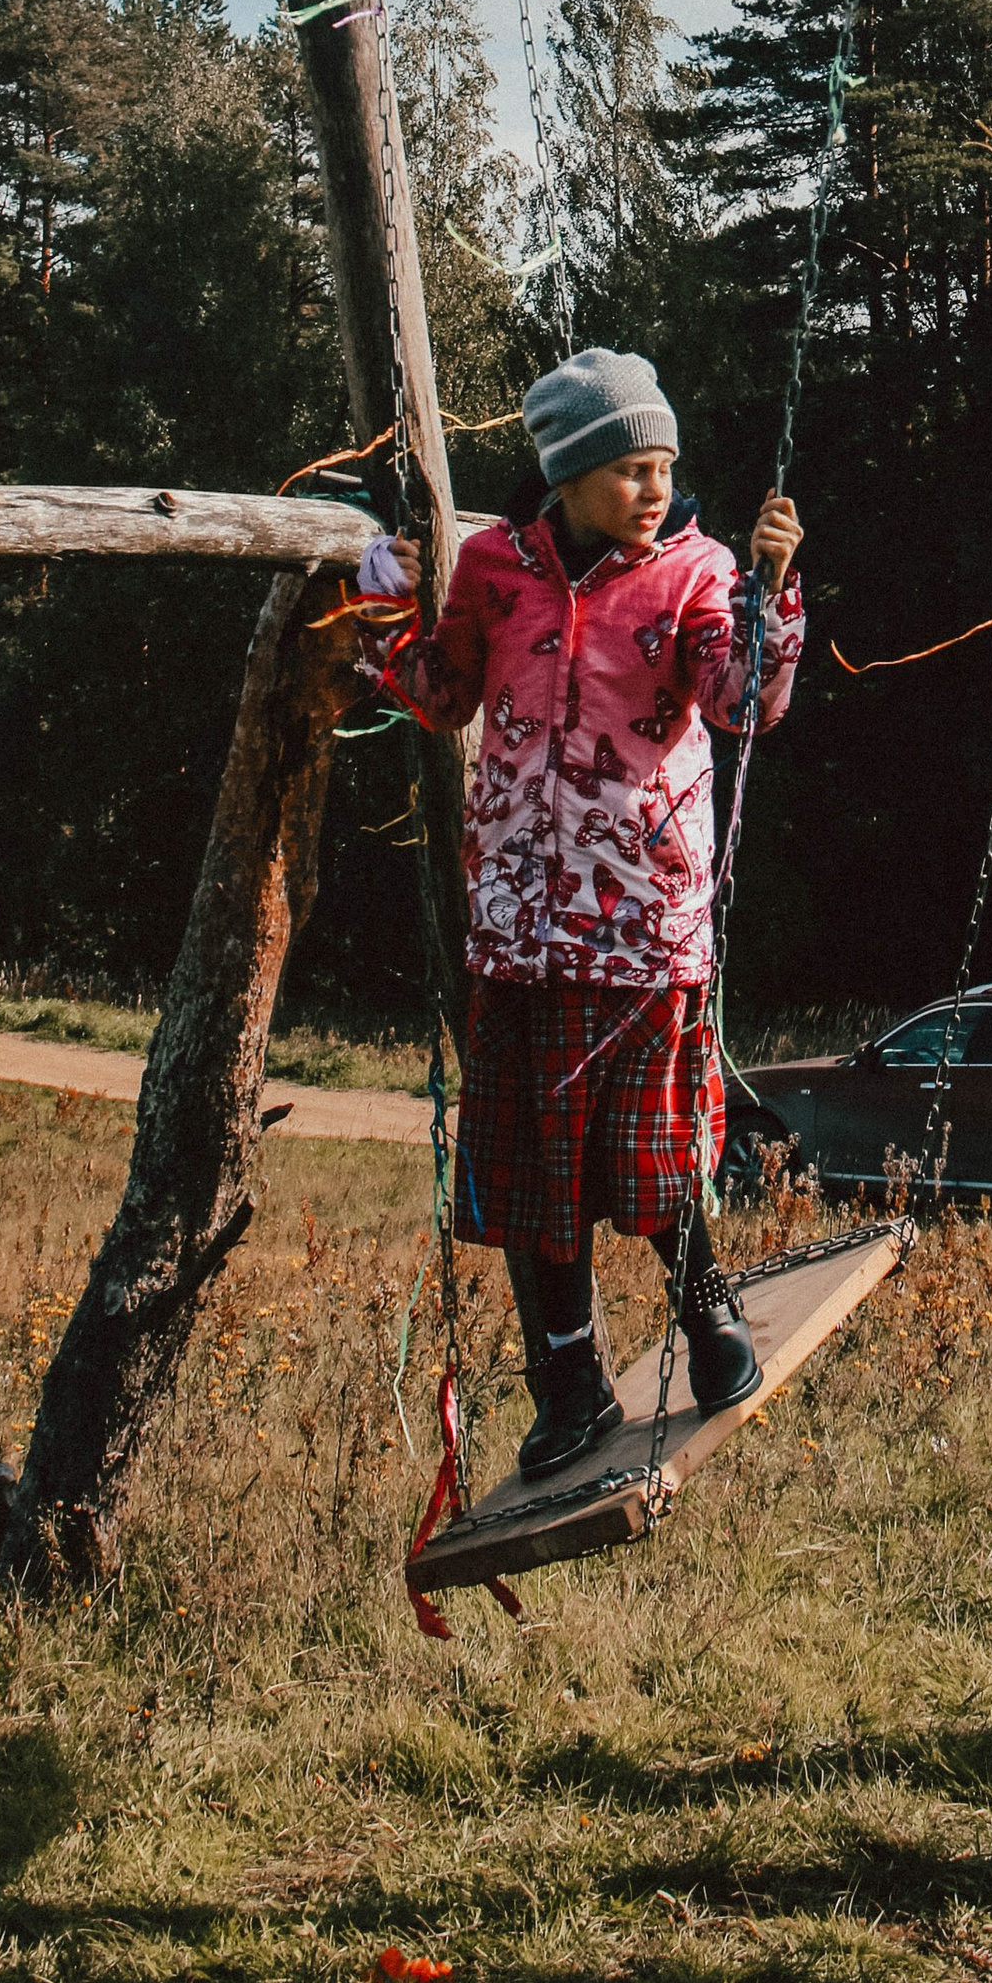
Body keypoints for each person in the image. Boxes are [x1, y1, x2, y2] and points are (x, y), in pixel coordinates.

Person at [366, 345, 803, 1479]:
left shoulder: (697, 572)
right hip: (517, 923)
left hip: (646, 921)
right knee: (530, 1179)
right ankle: (570, 1384)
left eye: (663, 465)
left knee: (652, 1157)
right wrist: (378, 603)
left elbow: (737, 703)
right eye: (626, 469)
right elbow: (439, 693)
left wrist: (770, 598)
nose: (652, 488)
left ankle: (710, 1317)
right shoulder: (491, 568)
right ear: (564, 474)